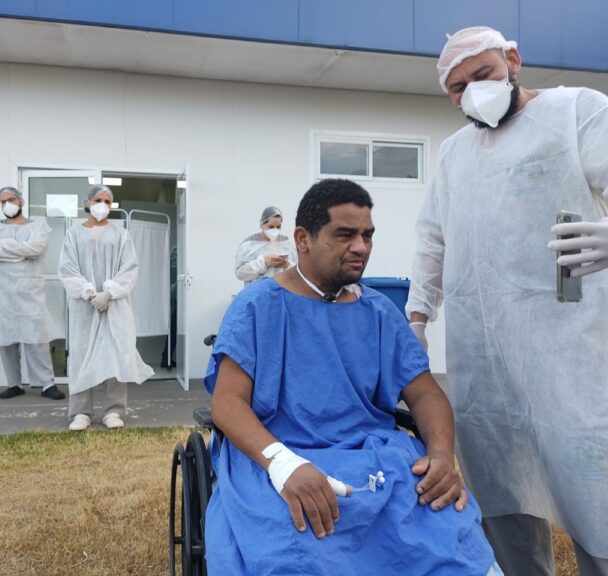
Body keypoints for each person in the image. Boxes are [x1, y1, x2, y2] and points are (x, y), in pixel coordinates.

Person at [205, 179, 501, 576]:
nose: (361, 247)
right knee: (292, 555)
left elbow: (427, 394)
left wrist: (442, 457)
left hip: (377, 459)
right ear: (302, 239)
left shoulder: (377, 312)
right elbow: (227, 402)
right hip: (281, 454)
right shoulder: (257, 306)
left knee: (450, 544)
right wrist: (283, 464)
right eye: (345, 235)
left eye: (367, 235)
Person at [407, 26, 608, 576]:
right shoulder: (453, 155)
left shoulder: (576, 112)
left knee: (593, 489)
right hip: (483, 359)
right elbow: (432, 240)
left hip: (570, 351)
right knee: (500, 490)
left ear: (514, 59)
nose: (472, 92)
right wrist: (418, 317)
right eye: (457, 88)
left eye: (484, 75)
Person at [58, 185, 153, 431]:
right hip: (84, 307)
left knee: (116, 354)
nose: (103, 205)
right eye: (98, 200)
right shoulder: (73, 235)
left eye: (108, 201)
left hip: (115, 304)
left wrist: (109, 293)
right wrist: (88, 292)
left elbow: (130, 268)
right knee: (81, 355)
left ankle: (114, 410)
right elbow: (68, 269)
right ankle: (80, 412)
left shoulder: (121, 235)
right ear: (87, 203)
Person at [0, 186, 65, 401]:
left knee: (36, 337)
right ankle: (14, 384)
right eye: (3, 201)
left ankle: (47, 383)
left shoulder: (38, 226)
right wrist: (20, 251)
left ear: (21, 201)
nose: (7, 204)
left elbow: (37, 249)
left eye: (11, 199)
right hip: (1, 291)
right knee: (6, 338)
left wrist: (6, 247)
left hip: (30, 290)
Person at [234, 206, 297, 285]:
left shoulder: (287, 244)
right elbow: (240, 274)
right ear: (261, 224)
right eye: (271, 227)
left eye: (278, 227)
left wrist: (287, 265)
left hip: (281, 294)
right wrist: (263, 263)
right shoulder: (249, 245)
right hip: (258, 295)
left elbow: (299, 272)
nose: (275, 229)